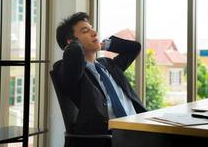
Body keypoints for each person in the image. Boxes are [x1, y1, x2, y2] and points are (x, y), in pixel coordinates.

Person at [52, 12, 146, 147]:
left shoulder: (109, 64)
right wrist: (75, 44)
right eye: (85, 31)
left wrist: (102, 45)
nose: (94, 32)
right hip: (111, 138)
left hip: (139, 129)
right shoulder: (70, 72)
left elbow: (134, 48)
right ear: (72, 42)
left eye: (92, 28)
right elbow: (73, 53)